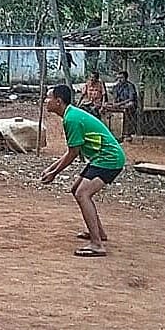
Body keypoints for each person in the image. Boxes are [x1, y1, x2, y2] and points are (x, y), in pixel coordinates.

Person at [41, 84, 126, 257]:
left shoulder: (71, 119)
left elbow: (73, 153)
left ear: (58, 101)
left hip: (109, 159)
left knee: (82, 194)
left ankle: (97, 245)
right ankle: (99, 232)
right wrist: (51, 169)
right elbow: (72, 151)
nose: (45, 101)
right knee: (76, 190)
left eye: (48, 97)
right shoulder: (71, 115)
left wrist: (54, 173)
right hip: (101, 157)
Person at [106, 70, 138, 141]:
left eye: (121, 78)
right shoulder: (116, 86)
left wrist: (120, 104)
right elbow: (115, 97)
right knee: (105, 106)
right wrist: (114, 103)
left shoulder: (130, 86)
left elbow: (131, 98)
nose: (119, 80)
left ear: (126, 78)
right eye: (118, 78)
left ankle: (126, 132)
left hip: (126, 103)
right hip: (118, 104)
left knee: (130, 104)